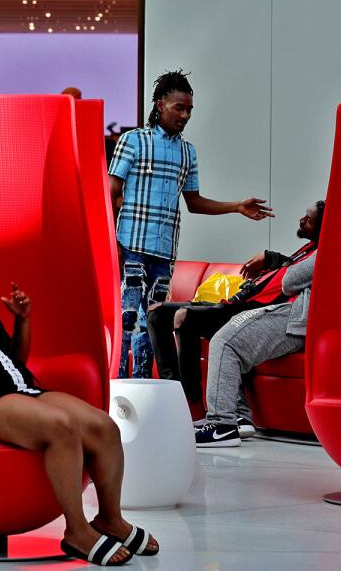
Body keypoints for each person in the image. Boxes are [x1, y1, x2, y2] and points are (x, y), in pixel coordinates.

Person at [0, 227, 157, 566]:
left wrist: (21, 321)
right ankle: (77, 531)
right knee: (63, 427)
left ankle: (110, 518)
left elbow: (12, 358)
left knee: (104, 426)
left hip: (20, 389)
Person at [108, 70, 274, 379]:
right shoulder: (133, 141)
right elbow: (110, 191)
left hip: (164, 254)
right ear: (160, 105)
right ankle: (119, 390)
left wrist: (237, 207)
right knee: (128, 319)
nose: (185, 115)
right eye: (179, 108)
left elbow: (194, 203)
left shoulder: (187, 152)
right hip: (129, 248)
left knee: (153, 323)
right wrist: (110, 245)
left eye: (189, 110)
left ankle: (142, 389)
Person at [146, 201, 324, 428]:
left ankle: (195, 408)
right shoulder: (306, 251)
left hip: (257, 308)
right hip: (239, 300)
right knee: (157, 314)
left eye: (308, 219)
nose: (301, 220)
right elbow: (291, 267)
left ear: (322, 227)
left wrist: (273, 261)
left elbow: (293, 279)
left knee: (185, 318)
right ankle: (173, 398)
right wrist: (270, 257)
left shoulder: (322, 253)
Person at [194, 250, 317, 447]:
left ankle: (221, 425)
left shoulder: (332, 245)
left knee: (224, 341)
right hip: (318, 324)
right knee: (236, 330)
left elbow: (289, 281)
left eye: (309, 217)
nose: (303, 219)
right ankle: (238, 417)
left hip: (302, 320)